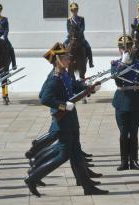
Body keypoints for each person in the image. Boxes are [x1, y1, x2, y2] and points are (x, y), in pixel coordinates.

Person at [24, 42, 108, 196]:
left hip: (71, 119)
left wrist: (89, 88)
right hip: (63, 121)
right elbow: (44, 98)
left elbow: (74, 86)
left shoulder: (65, 74)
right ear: (58, 60)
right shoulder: (54, 78)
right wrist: (62, 105)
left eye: (69, 57)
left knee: (76, 155)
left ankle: (88, 187)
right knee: (63, 155)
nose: (70, 60)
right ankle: (33, 177)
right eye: (66, 58)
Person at [111, 35, 139, 171]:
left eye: (127, 47)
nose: (124, 50)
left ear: (131, 48)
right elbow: (115, 78)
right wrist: (122, 64)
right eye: (122, 48)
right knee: (123, 133)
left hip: (134, 101)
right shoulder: (115, 64)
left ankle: (134, 160)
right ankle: (123, 161)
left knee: (133, 133)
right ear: (119, 49)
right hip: (121, 101)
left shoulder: (138, 64)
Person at [64, 2, 94, 68]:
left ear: (77, 10)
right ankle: (63, 63)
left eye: (75, 9)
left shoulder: (81, 19)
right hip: (71, 38)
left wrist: (78, 35)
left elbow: (83, 28)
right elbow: (68, 29)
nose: (74, 11)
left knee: (88, 47)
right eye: (72, 10)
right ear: (71, 11)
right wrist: (72, 35)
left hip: (80, 37)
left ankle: (91, 63)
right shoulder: (69, 20)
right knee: (63, 46)